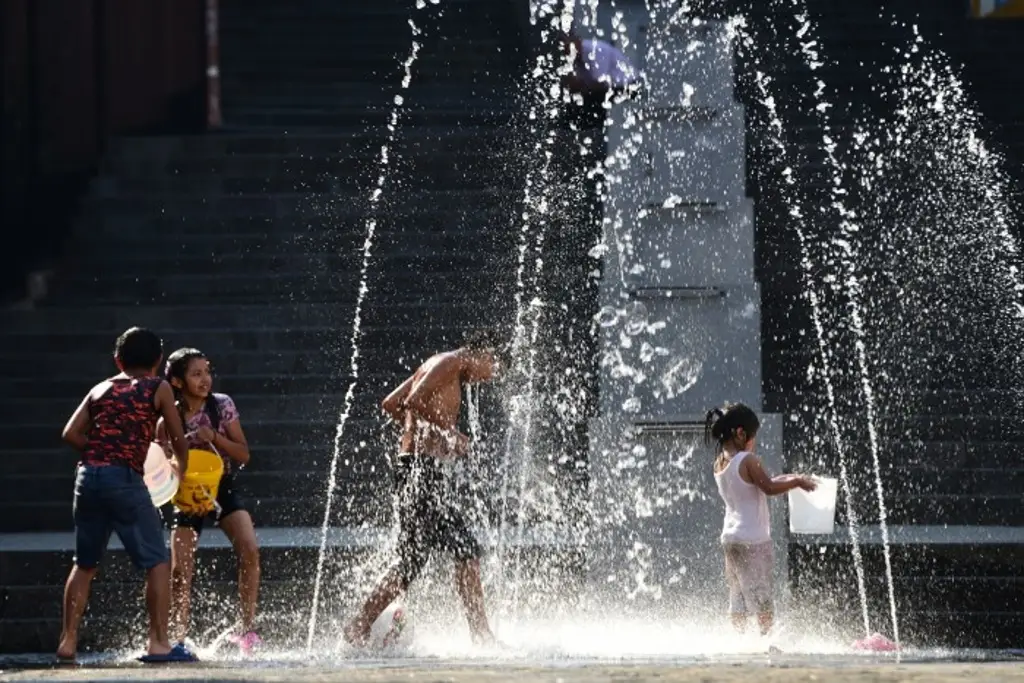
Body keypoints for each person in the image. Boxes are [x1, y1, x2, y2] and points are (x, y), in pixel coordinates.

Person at [343, 329, 506, 647]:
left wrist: (419, 437)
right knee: (440, 554)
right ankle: (359, 625)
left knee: (450, 552)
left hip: (420, 470)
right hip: (420, 472)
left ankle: (480, 634)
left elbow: (391, 404)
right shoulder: (450, 362)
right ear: (485, 354)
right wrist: (448, 434)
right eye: (494, 369)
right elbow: (412, 401)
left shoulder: (440, 364)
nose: (488, 378)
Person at [58, 327, 197, 663]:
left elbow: (70, 433)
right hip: (124, 478)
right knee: (158, 563)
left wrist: (99, 454)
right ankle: (160, 643)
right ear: (158, 361)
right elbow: (178, 438)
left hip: (87, 478)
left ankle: (67, 642)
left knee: (84, 564)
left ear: (117, 359)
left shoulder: (101, 388)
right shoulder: (157, 386)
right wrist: (177, 469)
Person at [158, 347, 261, 654]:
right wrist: (174, 461)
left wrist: (215, 438)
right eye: (196, 373)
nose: (205, 379)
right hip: (186, 493)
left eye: (207, 371)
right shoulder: (167, 417)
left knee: (250, 549)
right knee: (180, 571)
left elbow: (243, 454)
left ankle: (246, 630)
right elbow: (159, 466)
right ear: (177, 381)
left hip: (221, 485)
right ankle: (178, 638)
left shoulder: (222, 405)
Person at [706, 403, 817, 637]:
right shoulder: (748, 460)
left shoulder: (720, 462)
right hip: (753, 540)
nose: (753, 442)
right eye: (753, 436)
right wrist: (797, 483)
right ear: (740, 433)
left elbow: (757, 484)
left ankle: (739, 639)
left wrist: (793, 477)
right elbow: (767, 487)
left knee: (737, 593)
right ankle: (765, 639)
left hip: (730, 539)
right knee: (762, 596)